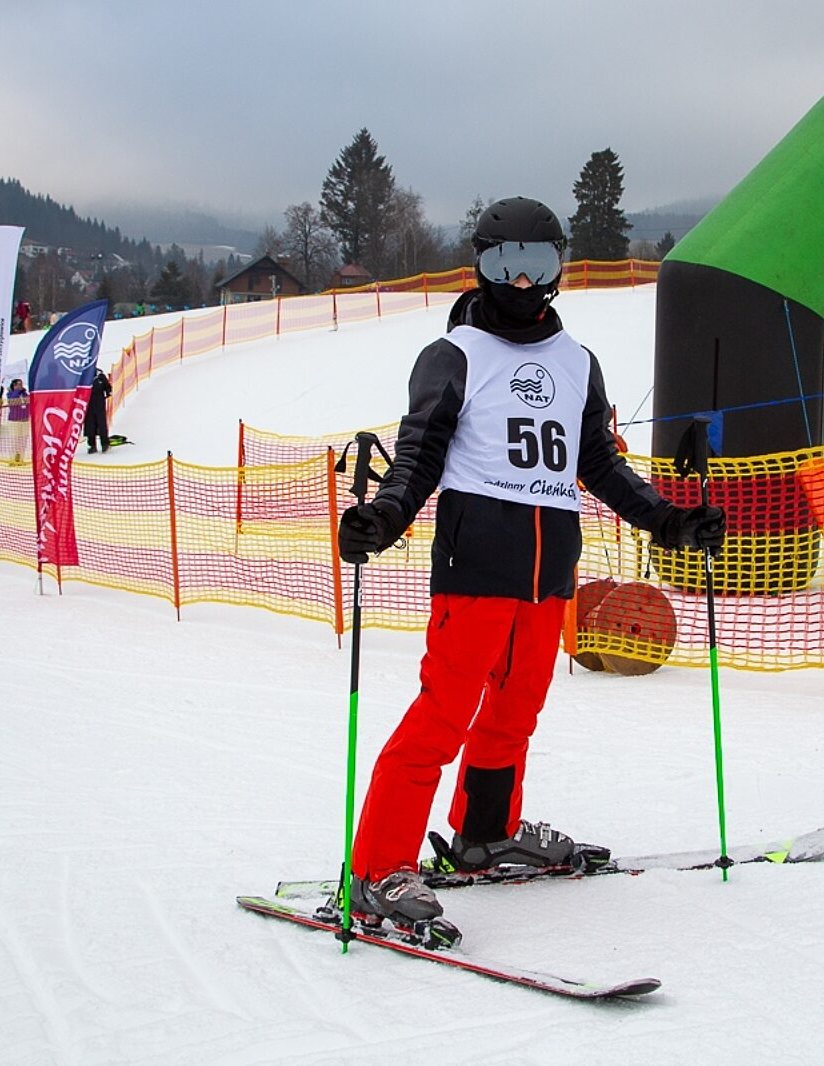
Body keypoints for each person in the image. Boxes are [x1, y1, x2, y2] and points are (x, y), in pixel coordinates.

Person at [335, 197, 726, 928]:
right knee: (442, 716)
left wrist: (670, 521)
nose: (520, 281)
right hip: (477, 565)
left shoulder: (577, 362)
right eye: (504, 263)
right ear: (480, 267)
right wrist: (382, 518)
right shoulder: (455, 356)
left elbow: (599, 464)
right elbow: (417, 457)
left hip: (549, 574)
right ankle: (378, 867)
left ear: (558, 268)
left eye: (536, 263)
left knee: (515, 712)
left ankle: (484, 834)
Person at [2, 378, 30, 463]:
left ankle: (20, 458)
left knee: (23, 440)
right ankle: (12, 459)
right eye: (18, 384)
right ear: (14, 385)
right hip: (15, 421)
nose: (20, 386)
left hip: (25, 420)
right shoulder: (10, 394)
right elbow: (13, 402)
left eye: (21, 384)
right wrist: (16, 391)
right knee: (14, 440)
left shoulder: (24, 394)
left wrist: (23, 392)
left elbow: (29, 403)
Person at [84, 369, 113, 453]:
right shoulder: (84, 374)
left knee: (101, 424)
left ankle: (105, 444)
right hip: (88, 404)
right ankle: (92, 445)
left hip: (99, 404)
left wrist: (108, 392)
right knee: (90, 425)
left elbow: (108, 387)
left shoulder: (100, 375)